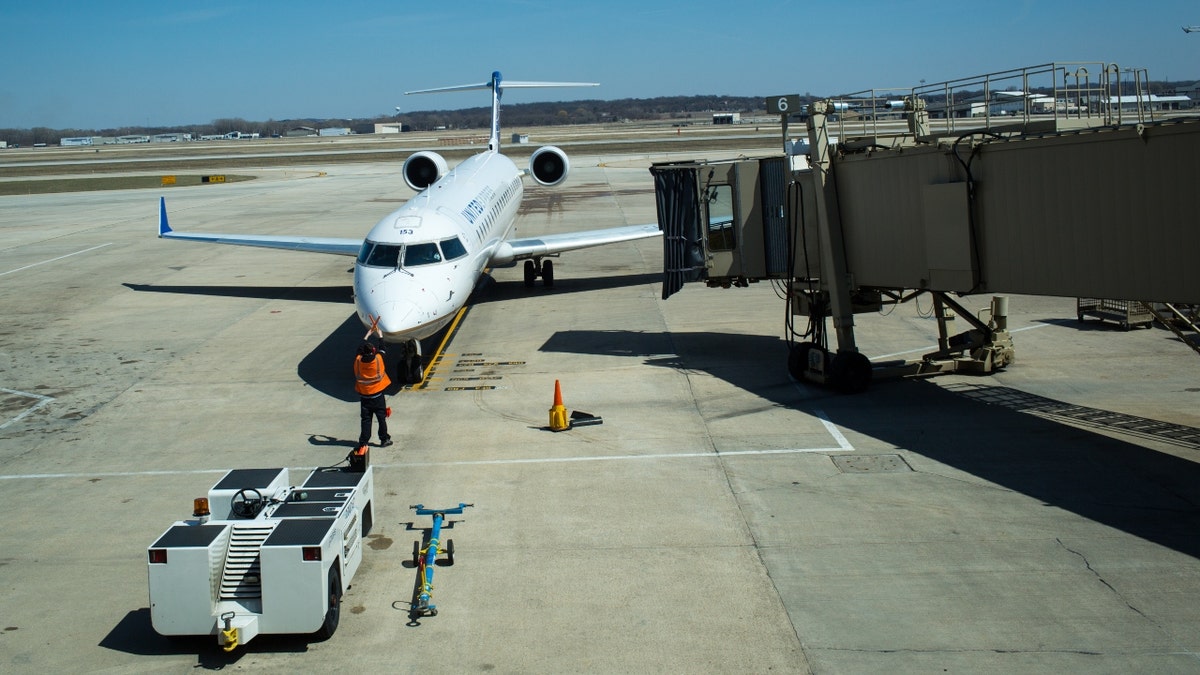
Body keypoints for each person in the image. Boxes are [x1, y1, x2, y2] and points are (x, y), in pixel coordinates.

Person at [354, 342, 392, 447]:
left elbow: (358, 349)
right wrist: (380, 337)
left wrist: (365, 337)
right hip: (378, 397)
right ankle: (384, 439)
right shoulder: (378, 360)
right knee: (381, 419)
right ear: (373, 351)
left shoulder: (358, 361)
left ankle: (363, 442)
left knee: (366, 420)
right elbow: (383, 348)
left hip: (365, 397)